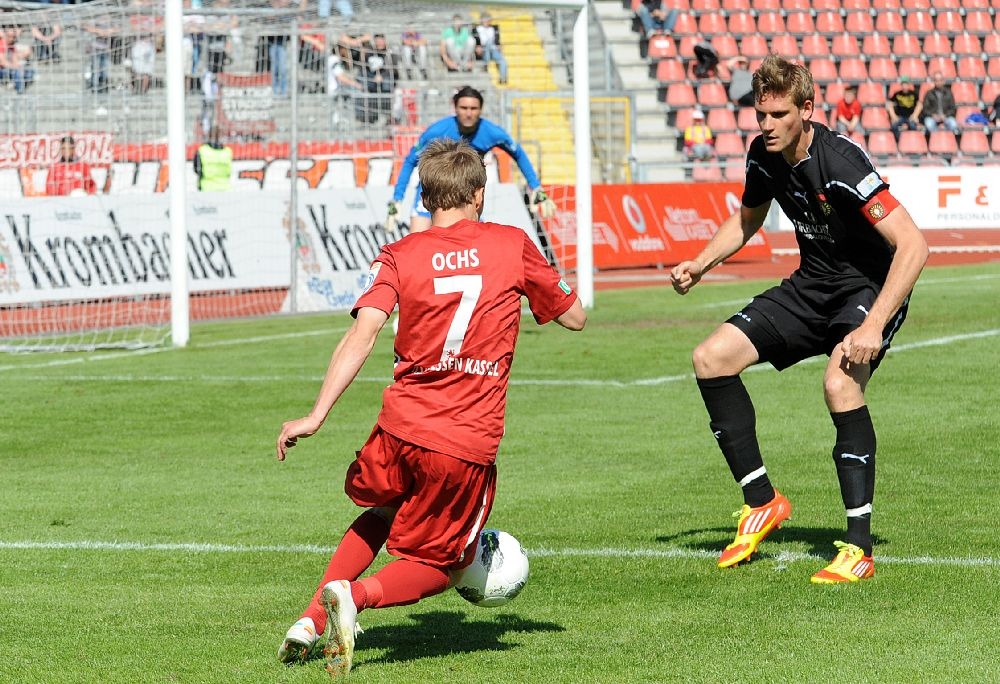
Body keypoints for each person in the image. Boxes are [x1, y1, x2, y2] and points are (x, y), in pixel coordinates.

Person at [274, 138, 586, 675]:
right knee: (445, 565)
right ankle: (354, 597)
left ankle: (309, 620)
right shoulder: (511, 244)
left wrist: (316, 414)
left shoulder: (398, 254)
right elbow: (575, 317)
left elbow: (362, 335)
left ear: (424, 197)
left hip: (398, 427)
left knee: (382, 511)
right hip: (463, 438)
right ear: (479, 194)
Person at [670, 54, 928, 584]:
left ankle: (859, 549)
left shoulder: (842, 163)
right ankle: (761, 501)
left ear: (806, 110)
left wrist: (873, 325)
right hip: (811, 286)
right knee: (711, 358)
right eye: (760, 115)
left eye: (778, 114)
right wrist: (700, 262)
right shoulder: (763, 156)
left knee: (839, 385)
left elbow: (913, 245)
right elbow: (747, 220)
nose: (766, 125)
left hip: (866, 289)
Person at [386, 86, 556, 234]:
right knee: (417, 240)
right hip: (433, 189)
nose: (468, 113)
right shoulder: (436, 131)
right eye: (464, 108)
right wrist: (397, 198)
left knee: (471, 241)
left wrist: (536, 187)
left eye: (473, 108)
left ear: (480, 110)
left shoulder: (492, 133)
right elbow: (410, 161)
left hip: (467, 192)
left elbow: (518, 153)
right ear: (455, 108)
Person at [473, 11, 508, 85]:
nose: (486, 21)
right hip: (483, 50)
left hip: (493, 50)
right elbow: (476, 42)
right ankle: (486, 65)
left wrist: (499, 46)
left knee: (502, 60)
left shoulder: (494, 29)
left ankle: (503, 78)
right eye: (485, 19)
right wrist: (477, 47)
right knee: (488, 44)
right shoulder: (476, 29)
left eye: (488, 19)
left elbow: (497, 42)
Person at [194, 126, 233, 191]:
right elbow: (229, 171)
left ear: (209, 136)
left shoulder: (202, 150)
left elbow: (196, 169)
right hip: (225, 188)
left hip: (206, 188)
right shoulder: (227, 151)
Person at [886, 76, 920, 140]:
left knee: (913, 126)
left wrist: (915, 115)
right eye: (903, 84)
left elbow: (919, 105)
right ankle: (900, 140)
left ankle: (911, 140)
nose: (904, 86)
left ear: (908, 85)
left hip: (910, 117)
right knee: (894, 126)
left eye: (906, 84)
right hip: (900, 117)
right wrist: (893, 116)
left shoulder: (914, 94)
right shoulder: (897, 94)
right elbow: (889, 104)